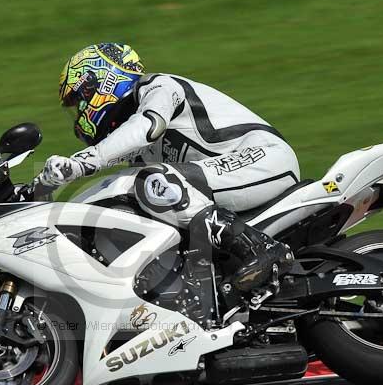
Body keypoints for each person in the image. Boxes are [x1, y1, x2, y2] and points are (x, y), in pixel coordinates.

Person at [34, 43, 298, 293]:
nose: (80, 114)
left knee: (152, 180)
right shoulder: (141, 154)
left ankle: (259, 249)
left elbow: (146, 129)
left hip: (262, 158)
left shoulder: (159, 86)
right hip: (230, 176)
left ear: (104, 80)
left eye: (81, 100)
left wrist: (82, 162)